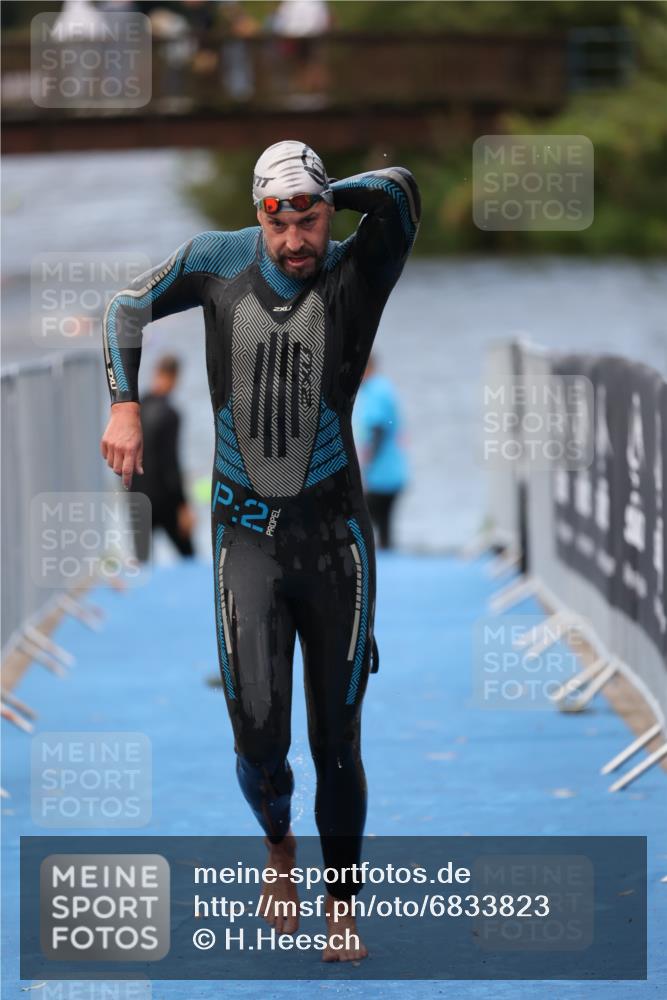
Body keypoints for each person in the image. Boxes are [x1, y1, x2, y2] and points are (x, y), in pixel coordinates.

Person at [100, 140, 420, 961]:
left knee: (336, 739)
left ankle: (340, 901)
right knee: (257, 735)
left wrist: (324, 187)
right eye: (278, 224)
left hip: (337, 539)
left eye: (308, 220)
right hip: (245, 538)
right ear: (256, 216)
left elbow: (400, 193)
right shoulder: (216, 264)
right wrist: (124, 406)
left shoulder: (358, 271)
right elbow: (123, 308)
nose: (294, 242)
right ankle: (278, 839)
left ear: (325, 212)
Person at [129, 354, 195, 562]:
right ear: (175, 377)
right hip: (164, 499)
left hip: (137, 496)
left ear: (156, 373)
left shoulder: (135, 411)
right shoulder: (170, 414)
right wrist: (183, 506)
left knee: (142, 562)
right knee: (188, 556)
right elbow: (170, 464)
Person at [353, 354, 409, 549]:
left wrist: (366, 464)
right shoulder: (383, 387)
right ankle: (387, 551)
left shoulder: (374, 390)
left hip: (381, 475)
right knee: (383, 527)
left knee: (359, 521)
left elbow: (377, 428)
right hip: (394, 471)